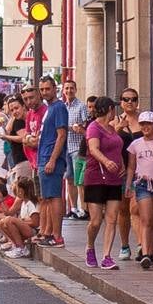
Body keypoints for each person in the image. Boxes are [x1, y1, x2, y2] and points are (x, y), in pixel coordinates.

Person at [83, 96, 125, 270]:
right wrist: (106, 162)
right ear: (109, 109)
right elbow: (93, 149)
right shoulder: (94, 128)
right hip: (96, 178)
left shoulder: (112, 128)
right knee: (95, 221)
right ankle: (90, 247)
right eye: (113, 108)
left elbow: (117, 148)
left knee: (112, 218)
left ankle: (107, 256)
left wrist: (121, 163)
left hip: (114, 179)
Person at [126, 111, 153, 271]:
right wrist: (129, 186)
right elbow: (131, 167)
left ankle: (150, 254)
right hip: (142, 184)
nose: (145, 127)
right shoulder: (135, 144)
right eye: (142, 124)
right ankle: (144, 252)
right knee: (146, 219)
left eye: (148, 124)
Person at [34, 75, 69, 247]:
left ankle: (57, 236)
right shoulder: (49, 108)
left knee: (54, 196)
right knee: (47, 198)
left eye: (48, 88)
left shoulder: (59, 107)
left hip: (51, 158)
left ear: (55, 88)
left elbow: (61, 135)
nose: (45, 92)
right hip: (44, 156)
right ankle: (47, 232)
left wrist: (53, 160)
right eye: (42, 89)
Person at [112, 88, 143, 260]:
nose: (130, 102)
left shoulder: (144, 120)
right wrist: (118, 129)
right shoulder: (115, 121)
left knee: (136, 208)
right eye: (126, 99)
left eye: (133, 99)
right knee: (123, 210)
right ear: (121, 102)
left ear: (137, 101)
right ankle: (125, 245)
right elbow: (108, 143)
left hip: (141, 171)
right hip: (121, 172)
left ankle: (141, 245)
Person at [62, 80, 89, 219]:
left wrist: (78, 127)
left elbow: (86, 123)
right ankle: (73, 208)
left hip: (77, 147)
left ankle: (83, 209)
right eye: (67, 88)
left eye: (71, 88)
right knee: (69, 179)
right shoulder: (62, 106)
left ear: (76, 89)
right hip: (65, 146)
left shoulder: (81, 106)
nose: (69, 91)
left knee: (80, 180)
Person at [0, 176, 40, 259]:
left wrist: (21, 221)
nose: (17, 192)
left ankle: (21, 248)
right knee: (2, 222)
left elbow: (35, 223)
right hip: (25, 227)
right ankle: (15, 244)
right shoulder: (23, 203)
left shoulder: (31, 204)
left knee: (9, 220)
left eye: (19, 190)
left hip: (32, 231)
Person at [0, 98, 31, 184]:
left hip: (24, 159)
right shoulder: (17, 120)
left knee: (22, 192)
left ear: (23, 106)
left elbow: (23, 138)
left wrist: (7, 137)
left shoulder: (20, 121)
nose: (14, 112)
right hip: (20, 159)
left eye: (16, 108)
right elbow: (8, 129)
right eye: (12, 110)